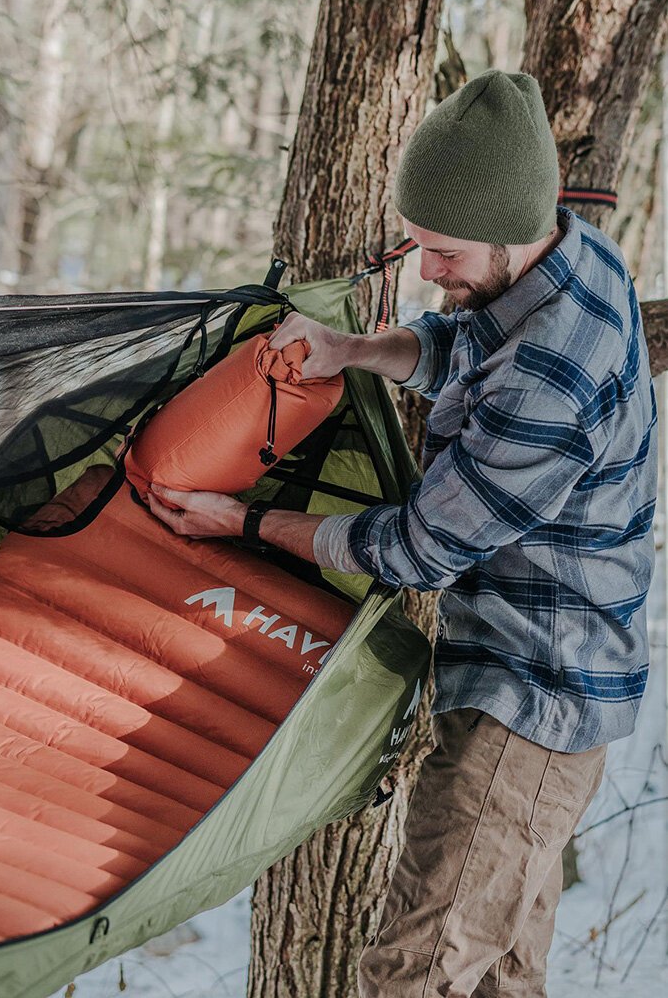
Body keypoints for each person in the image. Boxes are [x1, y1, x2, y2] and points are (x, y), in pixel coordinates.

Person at [145, 69, 658, 997]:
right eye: (418, 246)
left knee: (412, 976)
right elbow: (470, 344)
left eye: (445, 252)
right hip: (535, 686)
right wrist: (355, 350)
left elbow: (420, 548)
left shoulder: (557, 368)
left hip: (529, 705)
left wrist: (247, 523)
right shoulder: (567, 262)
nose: (428, 271)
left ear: (509, 229)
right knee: (502, 978)